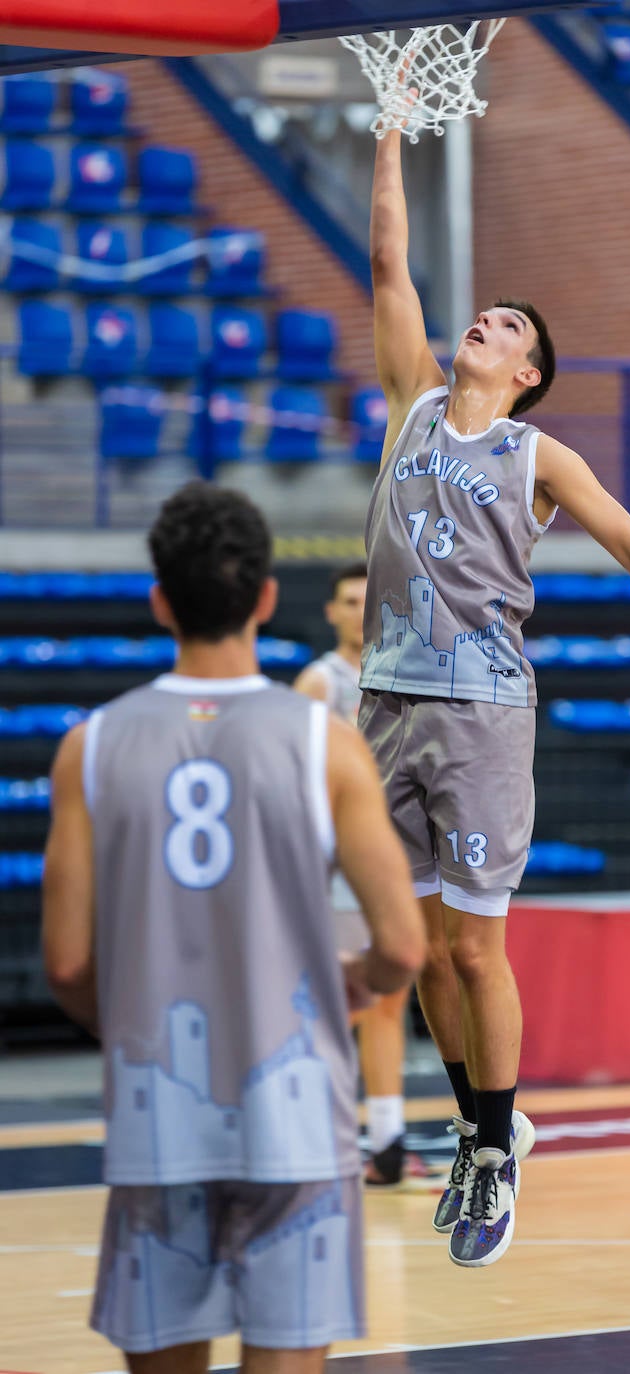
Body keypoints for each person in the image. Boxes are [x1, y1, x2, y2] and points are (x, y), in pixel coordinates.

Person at [360, 124, 630, 1270]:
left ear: (524, 373)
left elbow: (622, 535)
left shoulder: (533, 452)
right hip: (386, 699)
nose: (484, 322)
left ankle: (488, 1148)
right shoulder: (408, 406)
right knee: (415, 950)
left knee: (474, 951)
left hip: (480, 711)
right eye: (485, 314)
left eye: (508, 327)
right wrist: (387, 145)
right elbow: (386, 267)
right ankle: (481, 1125)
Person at [41, 480, 426, 1374]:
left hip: (157, 1115)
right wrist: (351, 982)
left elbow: (64, 963)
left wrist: (135, 1022)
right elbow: (404, 946)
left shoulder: (88, 746)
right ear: (264, 597)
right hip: (292, 1112)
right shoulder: (323, 743)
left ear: (159, 601)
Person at [294, 562, 421, 1187]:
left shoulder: (404, 669)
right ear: (331, 611)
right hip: (336, 864)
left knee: (389, 1004)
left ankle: (389, 1138)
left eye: (366, 599)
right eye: (347, 600)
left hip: (390, 854)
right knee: (337, 1004)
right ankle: (326, 1132)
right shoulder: (320, 682)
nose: (356, 609)